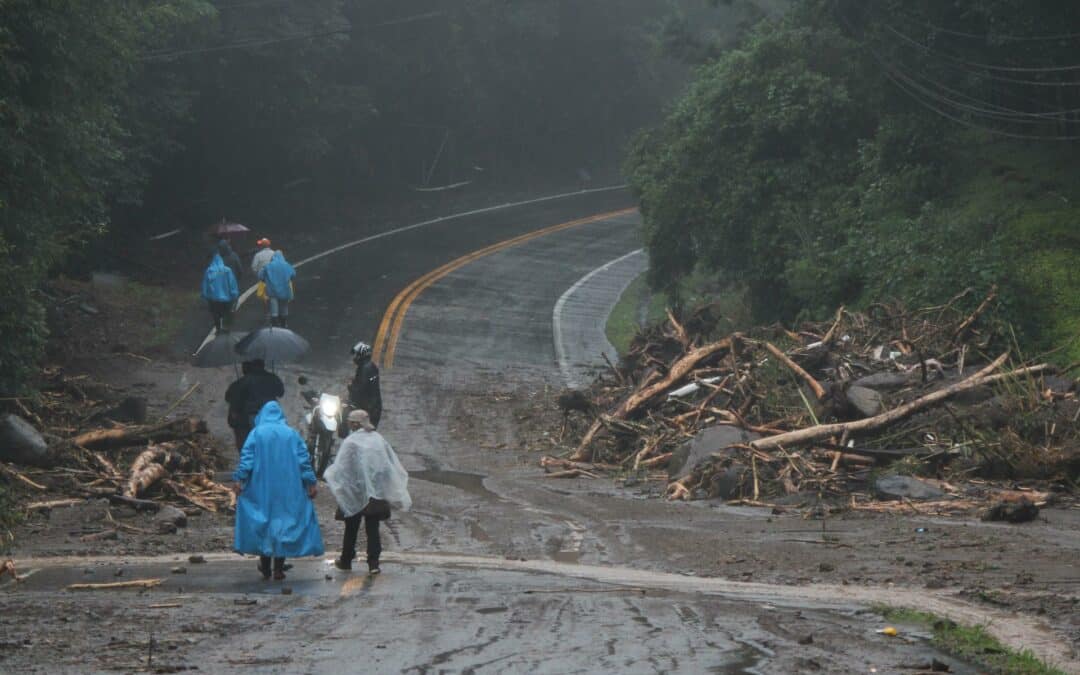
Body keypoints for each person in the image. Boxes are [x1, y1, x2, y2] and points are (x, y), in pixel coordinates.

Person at [232, 401, 323, 580]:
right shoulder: (291, 434)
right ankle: (279, 569)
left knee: (263, 522)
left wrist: (239, 479)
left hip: (260, 487)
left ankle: (265, 567)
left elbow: (247, 459)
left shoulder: (256, 434)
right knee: (284, 523)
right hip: (289, 488)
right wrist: (311, 482)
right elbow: (304, 461)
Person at [324, 409, 410, 575]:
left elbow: (342, 466)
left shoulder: (351, 442)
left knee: (351, 527)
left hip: (354, 491)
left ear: (355, 424)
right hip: (374, 493)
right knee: (373, 527)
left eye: (350, 422)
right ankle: (373, 563)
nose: (348, 424)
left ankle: (346, 560)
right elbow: (387, 465)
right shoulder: (378, 440)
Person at [224, 359, 285, 451]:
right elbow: (281, 392)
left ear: (247, 367)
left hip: (248, 420)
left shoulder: (241, 382)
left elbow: (229, 397)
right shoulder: (272, 378)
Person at [346, 341, 382, 429]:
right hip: (375, 407)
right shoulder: (371, 366)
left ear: (360, 355)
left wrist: (350, 386)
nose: (354, 358)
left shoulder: (364, 369)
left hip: (367, 408)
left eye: (355, 355)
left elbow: (360, 389)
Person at [201, 251, 239, 332]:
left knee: (216, 314)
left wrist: (205, 295)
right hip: (226, 298)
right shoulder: (227, 270)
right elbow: (232, 283)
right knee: (226, 313)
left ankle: (218, 329)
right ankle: (226, 329)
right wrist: (234, 295)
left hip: (213, 298)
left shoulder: (209, 271)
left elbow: (205, 285)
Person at [259, 250, 296, 327]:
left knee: (274, 309)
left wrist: (266, 280)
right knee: (284, 307)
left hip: (272, 291)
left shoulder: (268, 266)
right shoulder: (287, 265)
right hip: (285, 290)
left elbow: (261, 276)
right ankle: (284, 323)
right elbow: (293, 275)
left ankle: (275, 324)